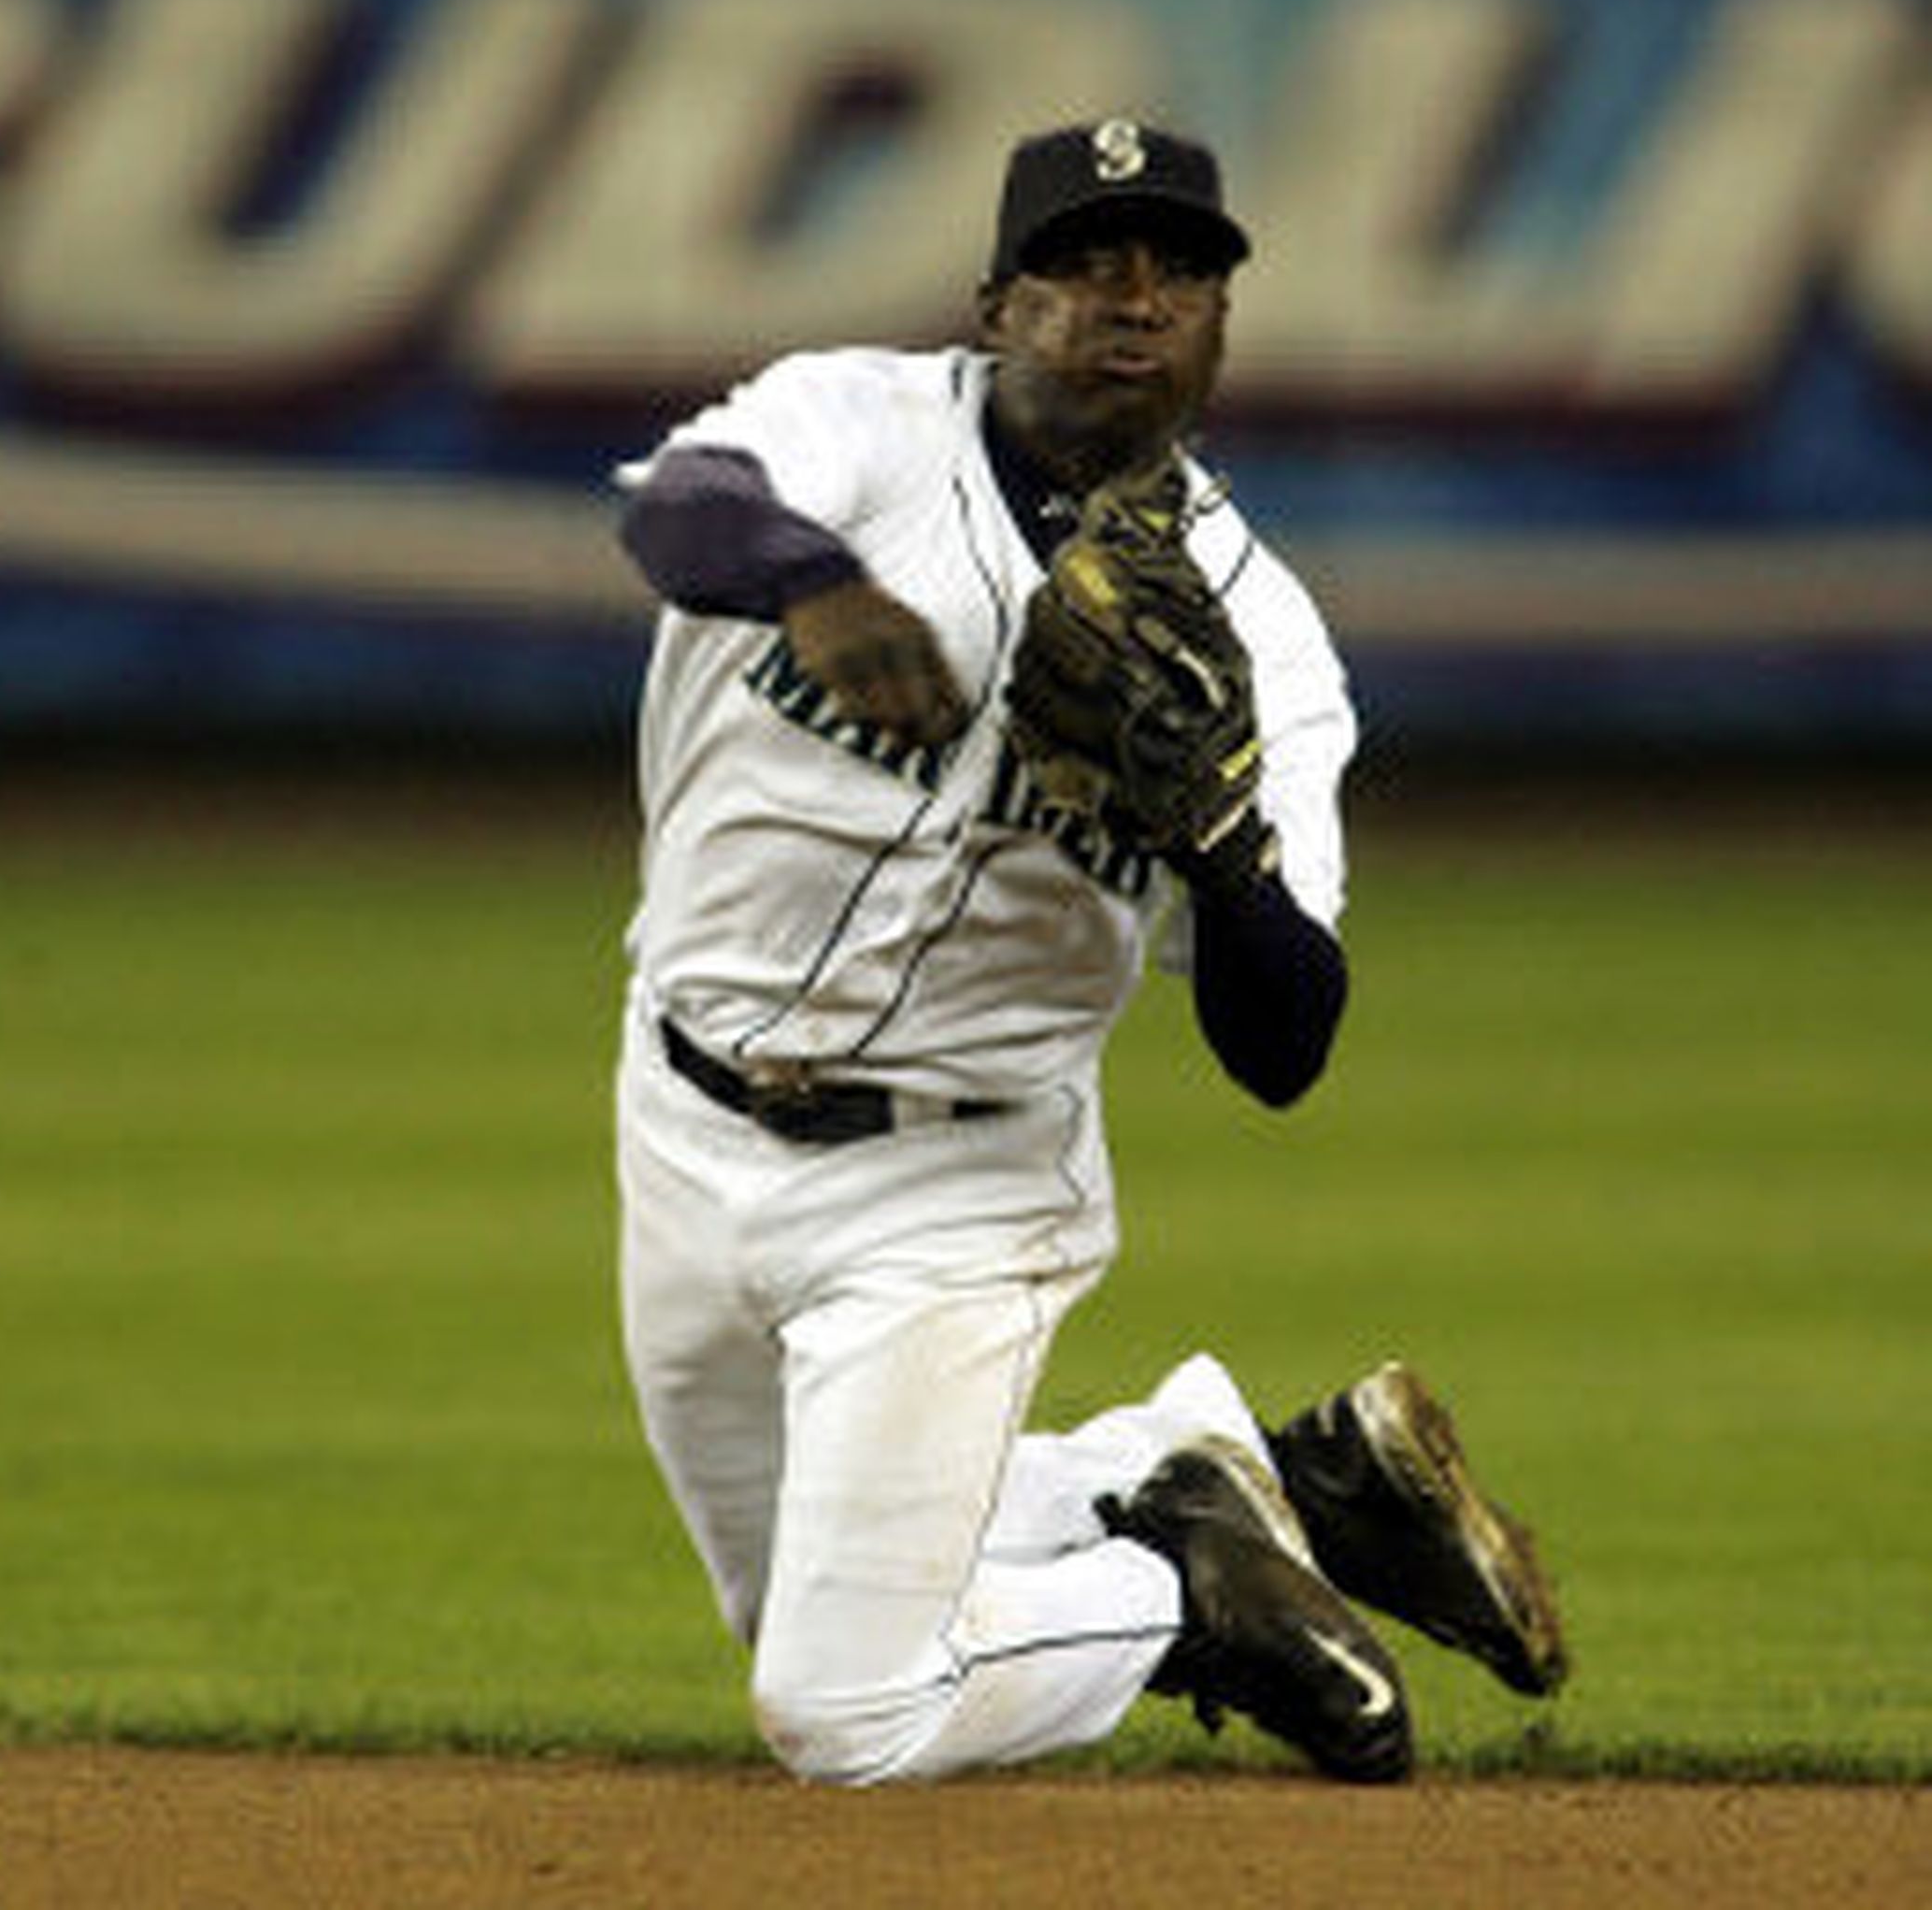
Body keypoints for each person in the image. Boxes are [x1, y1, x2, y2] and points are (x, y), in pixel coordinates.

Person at [610, 118, 1567, 1787]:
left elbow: (1286, 1046)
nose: (1136, 299)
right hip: (680, 1119)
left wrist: (1218, 839)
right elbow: (682, 512)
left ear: (1218, 330)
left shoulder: (1264, 638)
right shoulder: (855, 425)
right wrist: (817, 586)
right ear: (997, 303)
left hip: (955, 1193)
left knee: (848, 1708)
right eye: (1086, 262)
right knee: (793, 1615)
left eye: (1182, 272)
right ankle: (1235, 1479)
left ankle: (1184, 1598)